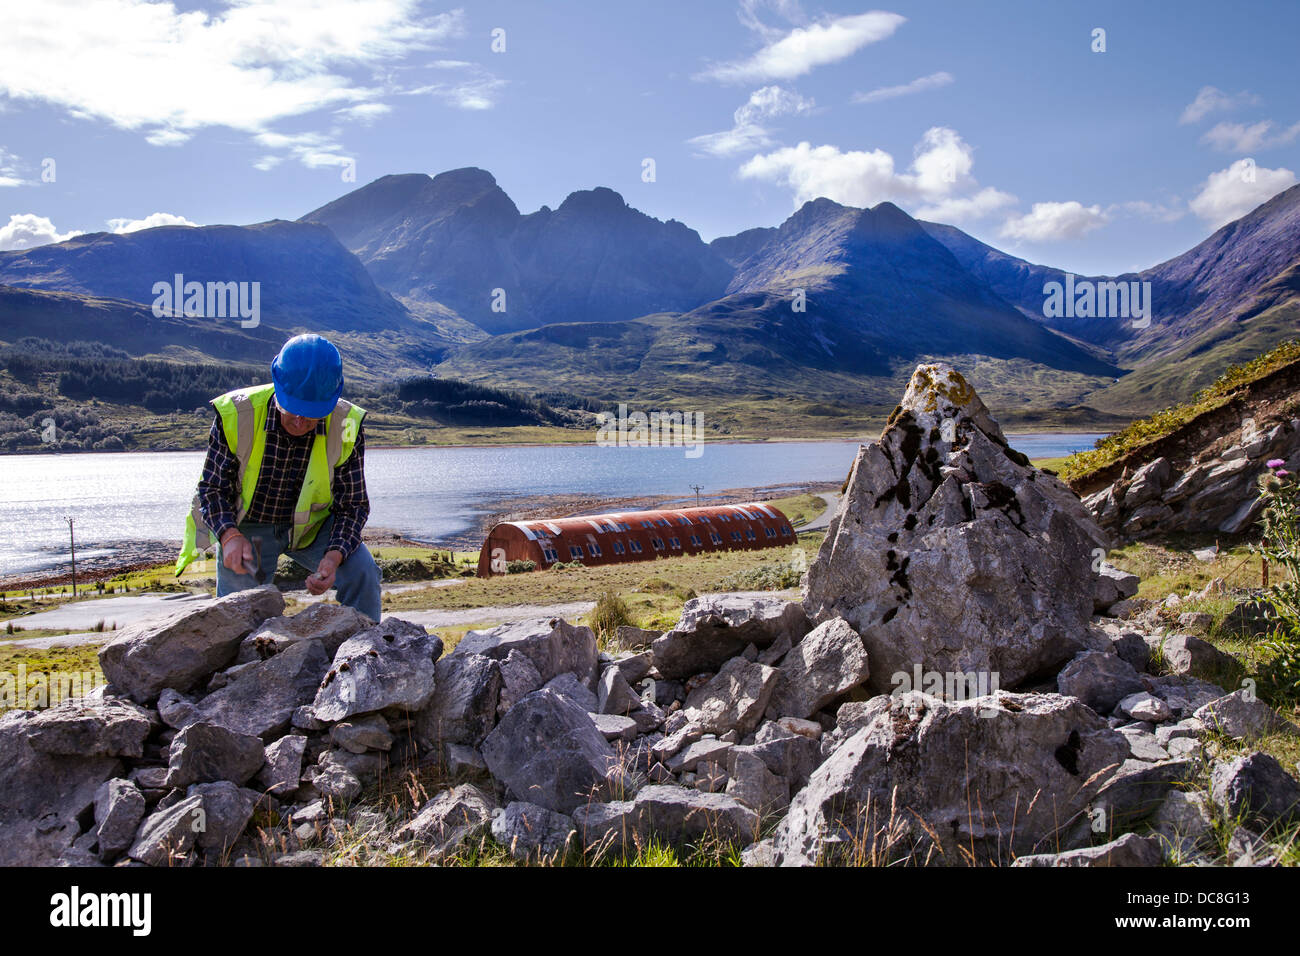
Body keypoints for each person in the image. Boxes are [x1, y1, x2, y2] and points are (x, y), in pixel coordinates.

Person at [174, 333, 382, 621]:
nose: (301, 421)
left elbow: (353, 505)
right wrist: (230, 536)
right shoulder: (237, 414)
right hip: (250, 531)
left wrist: (333, 558)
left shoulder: (347, 424)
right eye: (294, 409)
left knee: (363, 573)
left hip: (314, 529)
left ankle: (368, 654)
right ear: (277, 384)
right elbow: (212, 489)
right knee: (239, 610)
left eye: (313, 415)